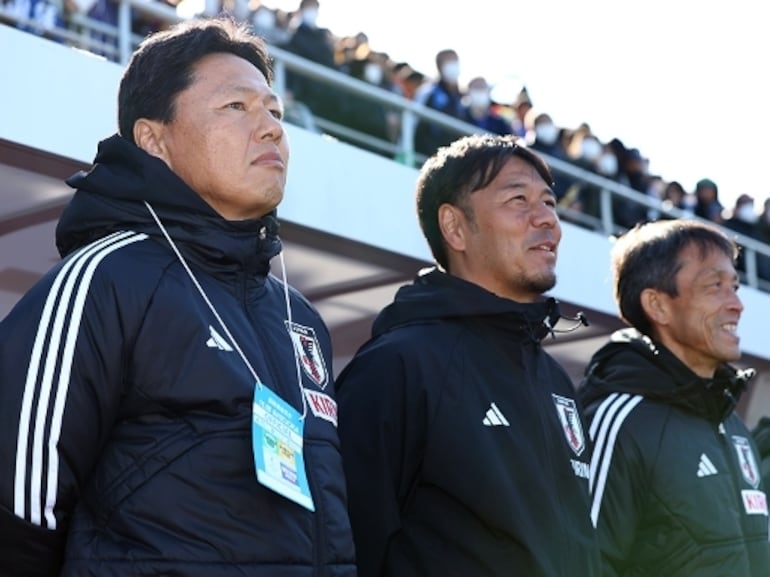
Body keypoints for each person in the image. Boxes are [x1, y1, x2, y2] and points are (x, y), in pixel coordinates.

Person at [0, 17, 356, 577]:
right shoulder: (105, 277)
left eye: (274, 112)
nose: (270, 129)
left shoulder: (301, 317)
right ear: (153, 139)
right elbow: (17, 510)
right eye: (236, 107)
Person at [336, 133, 601, 577]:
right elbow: (348, 546)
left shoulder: (554, 381)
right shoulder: (398, 365)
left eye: (550, 203)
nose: (547, 221)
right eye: (519, 199)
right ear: (455, 228)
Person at [579, 219, 770, 577]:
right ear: (657, 305)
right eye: (715, 286)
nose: (737, 305)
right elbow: (580, 563)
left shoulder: (734, 428)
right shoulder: (619, 422)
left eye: (736, 286)